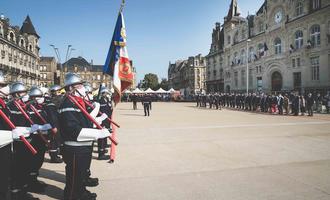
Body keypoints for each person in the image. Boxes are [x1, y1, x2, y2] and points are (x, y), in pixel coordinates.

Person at [59, 73, 110, 200]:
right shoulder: (67, 104)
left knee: (81, 175)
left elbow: (85, 121)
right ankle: (72, 196)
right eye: (79, 85)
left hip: (83, 145)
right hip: (75, 147)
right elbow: (73, 129)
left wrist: (97, 121)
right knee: (75, 176)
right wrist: (97, 134)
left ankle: (81, 192)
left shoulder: (77, 102)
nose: (83, 87)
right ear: (71, 88)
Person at [45, 85, 64, 163]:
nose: (60, 93)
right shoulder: (52, 101)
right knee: (54, 140)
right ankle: (53, 157)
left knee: (57, 140)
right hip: (54, 123)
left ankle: (56, 154)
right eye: (58, 91)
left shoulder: (56, 100)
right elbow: (52, 115)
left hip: (57, 122)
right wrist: (54, 126)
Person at [97, 86, 113, 160]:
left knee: (105, 135)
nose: (106, 94)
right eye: (105, 93)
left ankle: (103, 149)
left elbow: (109, 110)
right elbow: (103, 111)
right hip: (102, 121)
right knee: (101, 137)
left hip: (106, 120)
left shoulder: (106, 99)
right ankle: (101, 153)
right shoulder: (100, 100)